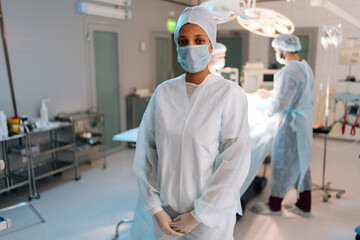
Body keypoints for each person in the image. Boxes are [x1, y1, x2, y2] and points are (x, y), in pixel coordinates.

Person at [133, 6, 251, 240]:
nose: (190, 48)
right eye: (183, 41)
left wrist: (199, 214)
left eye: (199, 40)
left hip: (209, 220)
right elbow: (146, 153)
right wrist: (155, 208)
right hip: (166, 216)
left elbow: (234, 162)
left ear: (211, 45)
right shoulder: (163, 93)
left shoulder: (229, 94)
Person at [251, 34, 314, 218]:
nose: (276, 53)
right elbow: (293, 92)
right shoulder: (304, 66)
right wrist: (271, 93)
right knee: (302, 162)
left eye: (276, 50)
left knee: (281, 162)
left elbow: (283, 103)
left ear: (283, 49)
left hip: (290, 124)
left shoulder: (288, 71)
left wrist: (267, 108)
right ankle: (304, 205)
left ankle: (275, 205)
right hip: (302, 123)